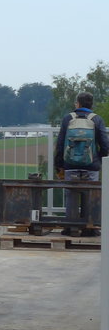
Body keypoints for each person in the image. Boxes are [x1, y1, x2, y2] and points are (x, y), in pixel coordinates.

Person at [53, 92, 109, 233]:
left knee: (71, 196)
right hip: (91, 166)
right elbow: (105, 144)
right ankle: (90, 228)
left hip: (70, 165)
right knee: (91, 196)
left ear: (77, 104)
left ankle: (70, 227)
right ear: (91, 105)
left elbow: (60, 143)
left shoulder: (68, 119)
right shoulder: (97, 119)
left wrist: (59, 163)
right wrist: (99, 159)